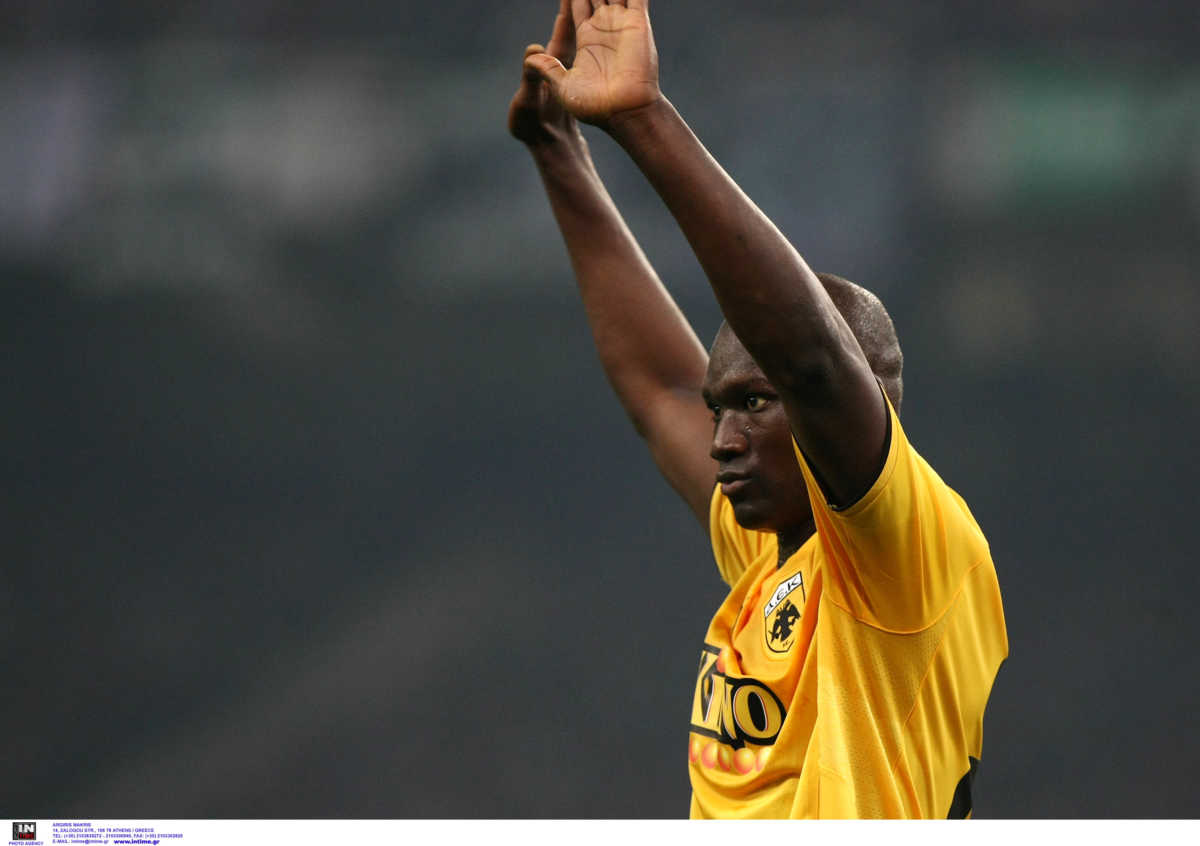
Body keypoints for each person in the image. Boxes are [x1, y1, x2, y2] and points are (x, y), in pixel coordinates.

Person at [508, 0, 1007, 819]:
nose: (724, 440)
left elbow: (809, 362)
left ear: (858, 402)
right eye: (722, 411)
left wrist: (643, 119)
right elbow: (662, 389)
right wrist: (561, 155)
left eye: (754, 404)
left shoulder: (907, 551)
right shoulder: (774, 548)